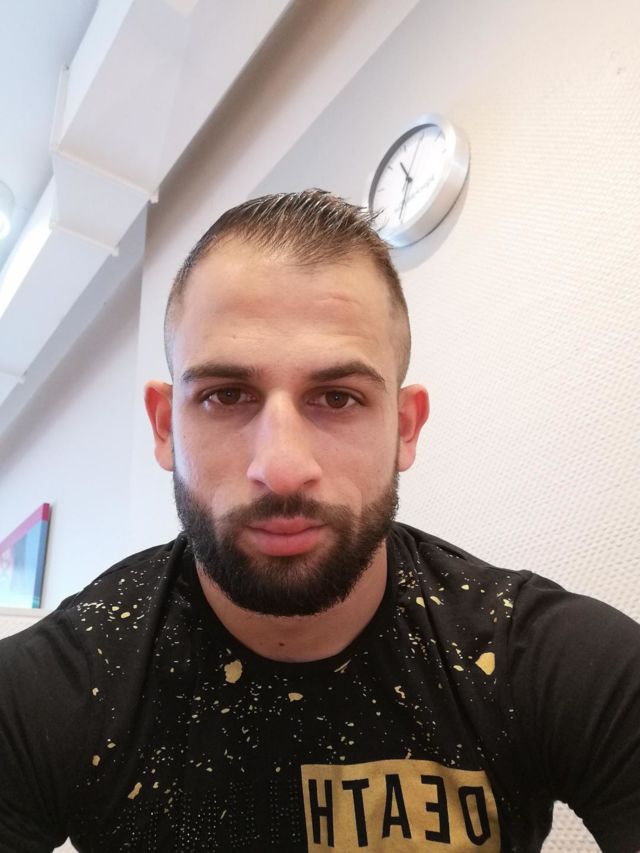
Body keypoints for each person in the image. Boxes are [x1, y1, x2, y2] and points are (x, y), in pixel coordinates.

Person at [0, 190, 639, 853]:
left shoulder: (542, 661)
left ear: (405, 428)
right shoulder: (60, 689)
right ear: (165, 427)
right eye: (226, 395)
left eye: (337, 397)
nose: (281, 468)